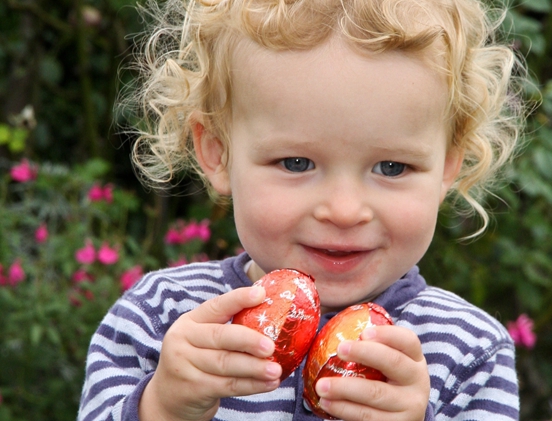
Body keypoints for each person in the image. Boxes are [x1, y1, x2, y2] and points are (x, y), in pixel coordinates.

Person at [78, 0, 525, 420]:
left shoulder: (469, 352)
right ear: (217, 152)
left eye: (392, 167)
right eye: (296, 163)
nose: (345, 210)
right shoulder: (162, 318)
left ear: (449, 165)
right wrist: (162, 406)